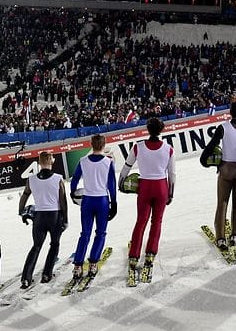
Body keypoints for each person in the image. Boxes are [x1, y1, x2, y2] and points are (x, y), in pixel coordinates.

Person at [117, 118, 176, 282]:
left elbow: (127, 166)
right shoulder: (168, 149)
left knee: (140, 221)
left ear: (147, 129)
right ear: (161, 130)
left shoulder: (138, 147)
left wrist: (121, 182)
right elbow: (172, 174)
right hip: (161, 187)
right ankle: (150, 253)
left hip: (144, 187)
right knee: (157, 222)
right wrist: (171, 192)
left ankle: (134, 255)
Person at [200, 100, 236, 250]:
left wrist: (204, 161)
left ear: (230, 112)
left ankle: (220, 238)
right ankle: (234, 235)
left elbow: (211, 146)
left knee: (222, 203)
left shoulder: (223, 127)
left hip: (226, 168)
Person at [69, 134, 117, 282]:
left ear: (91, 144)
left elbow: (75, 178)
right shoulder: (108, 163)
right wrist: (114, 202)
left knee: (85, 233)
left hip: (87, 201)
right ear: (104, 145)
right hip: (102, 200)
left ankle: (77, 266)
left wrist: (73, 193)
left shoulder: (83, 161)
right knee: (100, 233)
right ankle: (93, 264)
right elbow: (111, 185)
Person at [18, 152, 68, 288]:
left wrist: (21, 211)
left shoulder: (31, 179)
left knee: (36, 246)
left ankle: (26, 278)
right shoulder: (58, 178)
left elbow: (25, 195)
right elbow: (63, 201)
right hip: (54, 216)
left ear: (39, 163)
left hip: (39, 217)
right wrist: (65, 219)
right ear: (51, 161)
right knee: (54, 244)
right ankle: (46, 274)